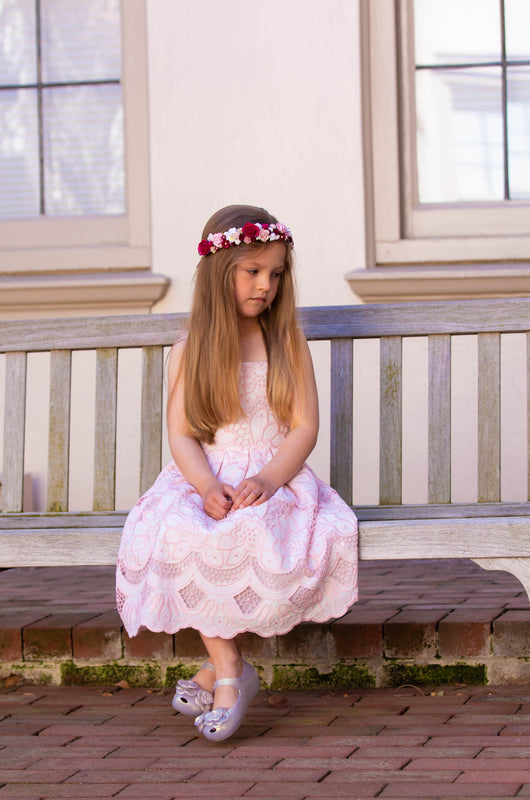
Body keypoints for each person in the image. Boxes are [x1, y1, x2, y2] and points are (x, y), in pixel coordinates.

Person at [116, 204, 358, 742]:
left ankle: (218, 672)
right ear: (219, 271)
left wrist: (271, 479)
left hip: (273, 475)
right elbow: (182, 434)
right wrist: (204, 485)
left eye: (275, 274)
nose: (265, 285)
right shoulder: (190, 351)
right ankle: (231, 672)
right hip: (208, 475)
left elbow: (303, 427)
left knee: (252, 530)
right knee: (179, 530)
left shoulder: (286, 343)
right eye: (253, 272)